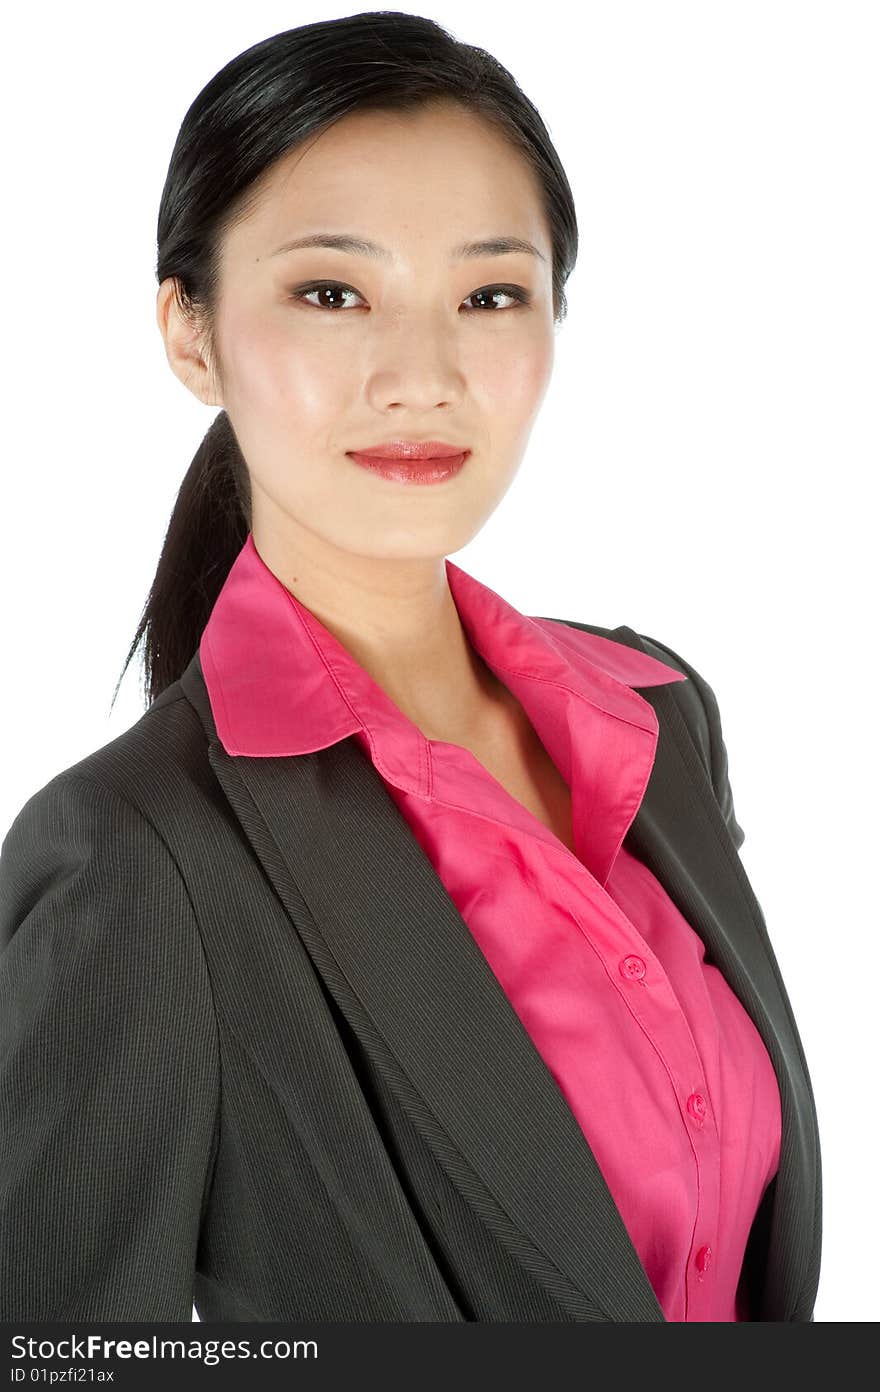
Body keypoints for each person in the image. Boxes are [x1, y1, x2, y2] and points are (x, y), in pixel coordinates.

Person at [0, 10, 821, 1323]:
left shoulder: (660, 710)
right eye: (332, 293)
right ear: (190, 334)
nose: (423, 374)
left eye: (489, 295)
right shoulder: (133, 857)